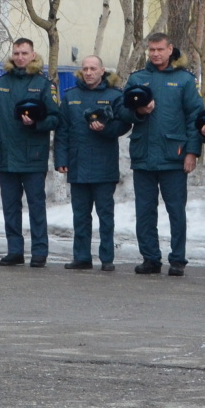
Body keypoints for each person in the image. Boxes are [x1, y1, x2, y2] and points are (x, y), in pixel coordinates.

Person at [124, 32, 204, 276]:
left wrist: (192, 152)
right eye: (152, 50)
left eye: (160, 49)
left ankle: (177, 259)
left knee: (176, 211)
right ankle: (150, 258)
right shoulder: (137, 78)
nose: (155, 54)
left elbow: (195, 117)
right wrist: (139, 111)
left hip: (174, 156)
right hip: (143, 155)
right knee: (145, 212)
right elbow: (122, 112)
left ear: (170, 50)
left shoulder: (184, 80)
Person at [0, 37, 59, 267]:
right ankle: (15, 251)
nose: (20, 57)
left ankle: (39, 252)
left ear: (33, 55)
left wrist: (36, 123)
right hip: (6, 155)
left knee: (36, 207)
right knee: (10, 207)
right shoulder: (1, 83)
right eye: (16, 53)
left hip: (32, 156)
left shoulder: (44, 84)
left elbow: (56, 118)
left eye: (24, 53)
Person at [56, 55, 130, 270]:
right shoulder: (71, 96)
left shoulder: (114, 95)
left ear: (102, 71)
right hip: (77, 164)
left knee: (105, 216)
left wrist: (106, 128)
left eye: (93, 69)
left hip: (104, 165)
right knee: (80, 215)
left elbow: (124, 125)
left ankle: (107, 258)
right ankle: (81, 257)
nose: (88, 72)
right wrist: (61, 159)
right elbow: (62, 131)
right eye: (85, 68)